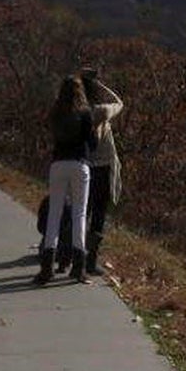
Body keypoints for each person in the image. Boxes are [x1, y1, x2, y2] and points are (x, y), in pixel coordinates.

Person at [33, 76, 97, 285]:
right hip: (79, 164)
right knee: (79, 214)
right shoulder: (85, 113)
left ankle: (47, 266)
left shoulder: (56, 113)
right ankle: (78, 267)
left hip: (58, 163)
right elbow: (93, 143)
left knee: (54, 214)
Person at [81, 66, 123, 277]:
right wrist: (100, 85)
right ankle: (91, 259)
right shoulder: (102, 111)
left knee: (82, 213)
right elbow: (119, 102)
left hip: (84, 166)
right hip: (103, 169)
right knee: (98, 215)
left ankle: (72, 253)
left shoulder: (78, 112)